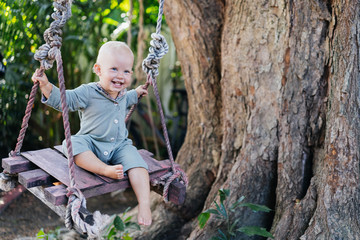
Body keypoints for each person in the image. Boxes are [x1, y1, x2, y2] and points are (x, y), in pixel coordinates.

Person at [31, 41, 152, 226]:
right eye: (114, 69)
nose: (120, 76)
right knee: (72, 143)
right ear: (98, 69)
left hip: (119, 145)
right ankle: (105, 170)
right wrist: (46, 86)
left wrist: (137, 92)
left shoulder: (122, 94)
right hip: (92, 144)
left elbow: (128, 99)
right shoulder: (88, 92)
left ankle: (144, 204)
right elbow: (65, 100)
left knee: (139, 166)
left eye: (126, 71)